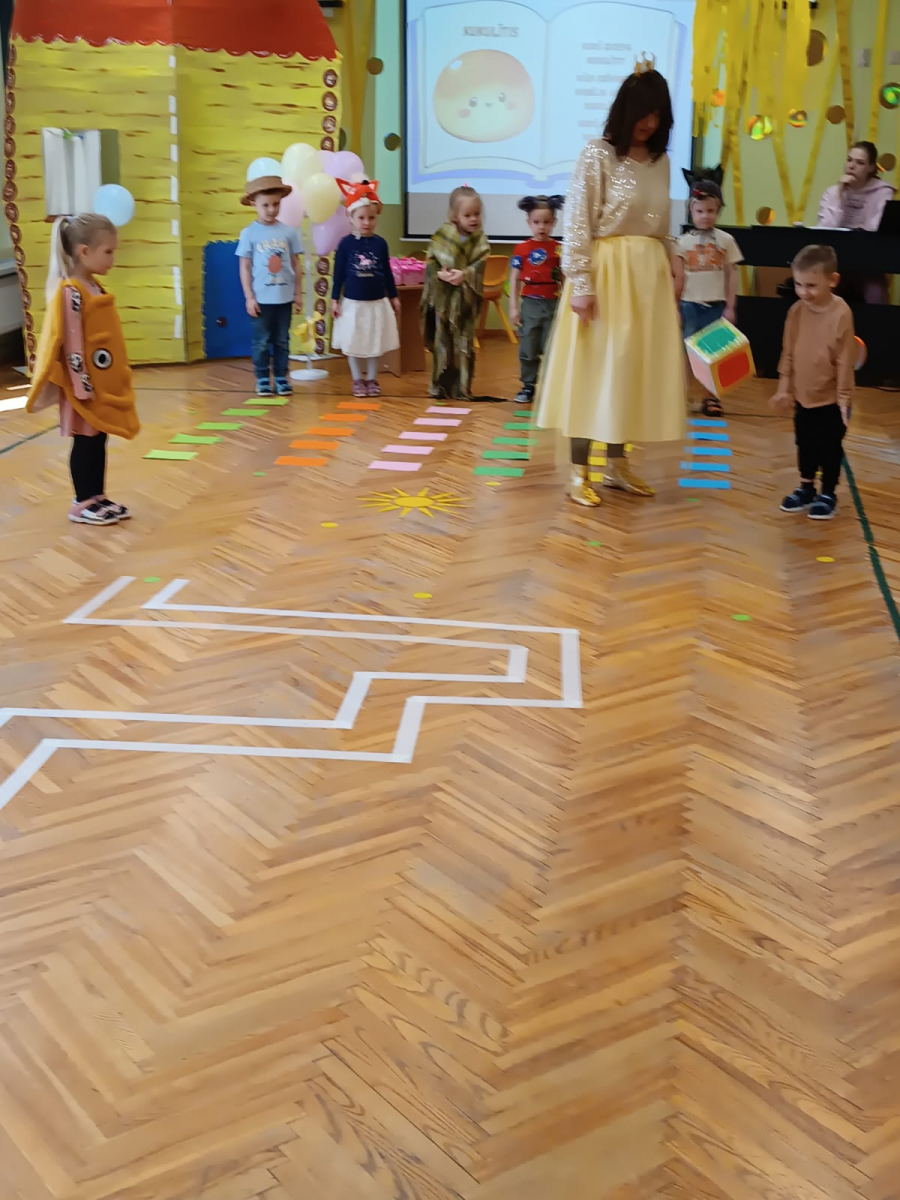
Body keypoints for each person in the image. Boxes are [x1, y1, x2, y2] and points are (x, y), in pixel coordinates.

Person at [536, 63, 685, 506]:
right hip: (606, 276)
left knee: (629, 370)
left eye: (658, 114)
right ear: (625, 110)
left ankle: (618, 465)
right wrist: (581, 282)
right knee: (593, 367)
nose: (650, 123)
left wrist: (674, 257)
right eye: (643, 112)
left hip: (647, 280)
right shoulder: (597, 154)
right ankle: (579, 470)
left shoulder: (661, 162)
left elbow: (660, 224)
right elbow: (578, 222)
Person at [26, 214, 139, 526]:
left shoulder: (93, 287)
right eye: (108, 251)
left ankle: (97, 496)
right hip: (83, 387)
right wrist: (82, 386)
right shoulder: (72, 292)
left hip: (98, 385)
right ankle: (82, 502)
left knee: (98, 438)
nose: (113, 258)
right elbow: (72, 345)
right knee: (86, 440)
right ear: (84, 252)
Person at [770, 244, 855, 521]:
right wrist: (783, 389)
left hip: (831, 400)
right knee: (805, 443)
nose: (803, 292)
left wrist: (844, 398)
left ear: (833, 280)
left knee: (829, 447)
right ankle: (806, 487)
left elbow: (844, 360)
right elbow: (788, 353)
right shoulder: (796, 312)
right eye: (798, 284)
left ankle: (828, 493)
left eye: (811, 286)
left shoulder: (841, 313)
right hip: (802, 397)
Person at [674, 173, 743, 417]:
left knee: (713, 355)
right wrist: (675, 308)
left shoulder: (727, 241)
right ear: (691, 211)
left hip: (716, 306)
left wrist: (730, 307)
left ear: (718, 211)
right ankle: (681, 396)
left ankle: (711, 397)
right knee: (685, 354)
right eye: (700, 211)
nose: (705, 216)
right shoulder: (681, 243)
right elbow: (677, 278)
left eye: (711, 211)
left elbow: (731, 275)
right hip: (689, 306)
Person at [331, 179, 400, 398]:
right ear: (351, 217)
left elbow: (387, 272)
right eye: (361, 218)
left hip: (376, 303)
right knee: (353, 341)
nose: (367, 222)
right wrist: (334, 299)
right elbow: (338, 274)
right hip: (353, 304)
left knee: (373, 341)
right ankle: (357, 380)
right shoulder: (345, 244)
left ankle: (371, 379)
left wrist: (394, 296)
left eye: (371, 218)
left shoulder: (380, 244)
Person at [237, 171, 303, 397]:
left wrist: (298, 293)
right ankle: (263, 378)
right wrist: (249, 297)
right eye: (265, 205)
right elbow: (245, 266)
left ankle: (282, 377)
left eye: (276, 204)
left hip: (284, 298)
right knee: (262, 341)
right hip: (261, 300)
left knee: (282, 341)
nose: (271, 210)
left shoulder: (288, 232)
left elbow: (296, 265)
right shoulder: (249, 233)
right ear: (254, 204)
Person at [421, 185, 491, 400]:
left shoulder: (480, 240)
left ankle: (462, 387)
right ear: (454, 215)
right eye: (467, 215)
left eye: (477, 214)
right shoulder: (442, 236)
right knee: (442, 341)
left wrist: (465, 274)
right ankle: (440, 385)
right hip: (443, 300)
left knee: (464, 342)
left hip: (465, 302)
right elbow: (431, 261)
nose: (473, 219)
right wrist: (439, 274)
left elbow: (480, 264)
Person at [509, 194, 564, 405]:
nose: (542, 227)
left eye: (547, 222)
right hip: (530, 304)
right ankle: (528, 386)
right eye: (537, 222)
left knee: (551, 346)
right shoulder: (522, 249)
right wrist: (514, 308)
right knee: (528, 345)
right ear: (529, 223)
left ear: (554, 222)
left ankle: (551, 387)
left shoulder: (560, 249)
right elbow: (514, 279)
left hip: (553, 304)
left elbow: (565, 278)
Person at [818, 141, 895, 232]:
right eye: (849, 160)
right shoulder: (832, 192)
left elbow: (876, 229)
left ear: (871, 167)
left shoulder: (882, 192)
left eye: (860, 163)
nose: (851, 166)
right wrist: (839, 195)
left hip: (866, 241)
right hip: (836, 240)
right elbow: (824, 231)